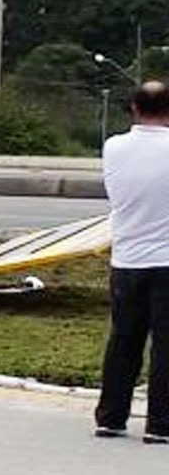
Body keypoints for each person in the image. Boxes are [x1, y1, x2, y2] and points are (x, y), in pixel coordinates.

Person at [95, 80, 169, 444]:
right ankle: (161, 425)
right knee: (166, 346)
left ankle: (111, 418)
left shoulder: (113, 147)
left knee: (123, 339)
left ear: (134, 109)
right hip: (167, 263)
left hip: (126, 261)